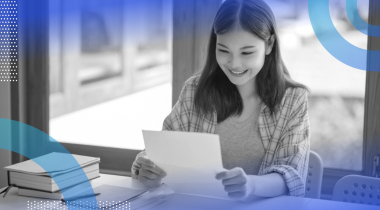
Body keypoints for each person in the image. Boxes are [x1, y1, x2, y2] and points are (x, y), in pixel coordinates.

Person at [131, 0, 310, 200]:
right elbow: (162, 152)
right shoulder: (194, 90)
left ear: (269, 44)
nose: (234, 63)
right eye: (223, 50)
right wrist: (150, 172)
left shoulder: (293, 99)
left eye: (247, 52)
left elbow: (292, 174)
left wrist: (251, 185)